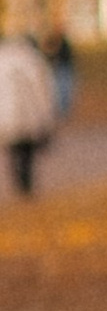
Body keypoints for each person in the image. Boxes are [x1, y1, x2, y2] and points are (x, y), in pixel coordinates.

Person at [0, 29, 57, 194]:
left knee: (13, 149)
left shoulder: (3, 60)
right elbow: (43, 88)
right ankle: (26, 181)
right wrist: (46, 113)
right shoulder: (34, 60)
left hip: (8, 113)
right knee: (27, 150)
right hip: (29, 113)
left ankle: (19, 180)